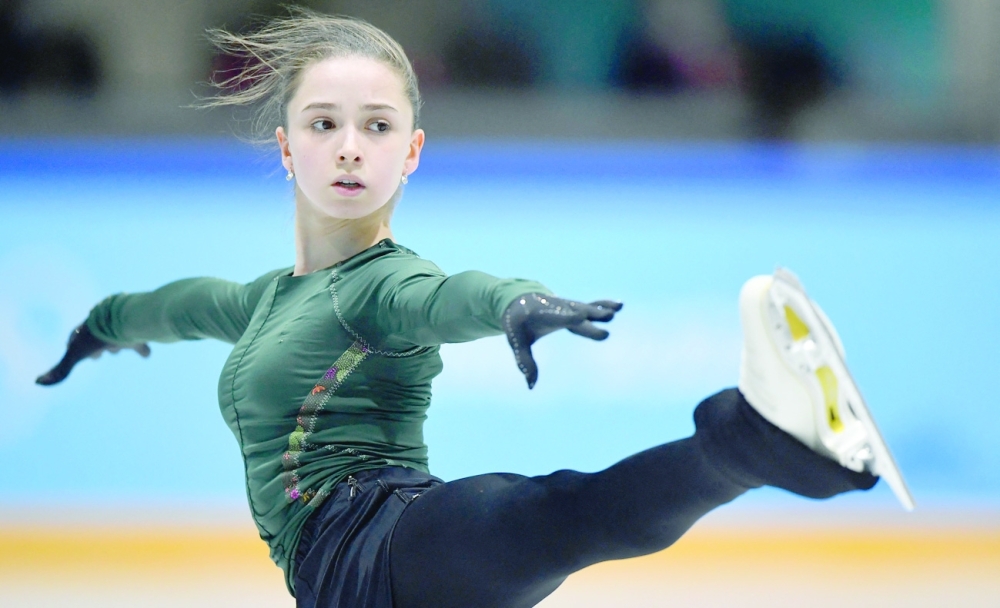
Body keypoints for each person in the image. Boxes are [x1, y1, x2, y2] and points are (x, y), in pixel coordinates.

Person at [35, 9, 912, 608]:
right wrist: (97, 329)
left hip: (390, 543)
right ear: (287, 146)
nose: (350, 148)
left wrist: (510, 303)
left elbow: (442, 299)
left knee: (551, 515)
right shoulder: (263, 301)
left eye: (378, 126)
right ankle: (757, 444)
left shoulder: (383, 284)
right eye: (324, 123)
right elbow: (180, 306)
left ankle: (758, 440)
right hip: (340, 581)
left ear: (412, 151)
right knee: (549, 516)